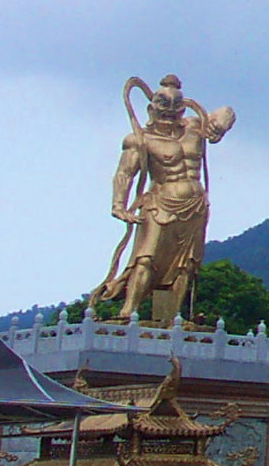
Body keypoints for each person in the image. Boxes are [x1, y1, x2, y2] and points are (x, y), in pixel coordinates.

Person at [95, 74, 235, 322]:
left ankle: (173, 316)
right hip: (160, 203)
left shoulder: (194, 127)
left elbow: (226, 111)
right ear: (151, 107)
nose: (169, 111)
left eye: (175, 106)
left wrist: (220, 125)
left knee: (186, 265)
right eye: (162, 105)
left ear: (183, 107)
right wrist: (118, 205)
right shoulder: (140, 140)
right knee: (145, 258)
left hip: (195, 206)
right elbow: (124, 173)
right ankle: (129, 311)